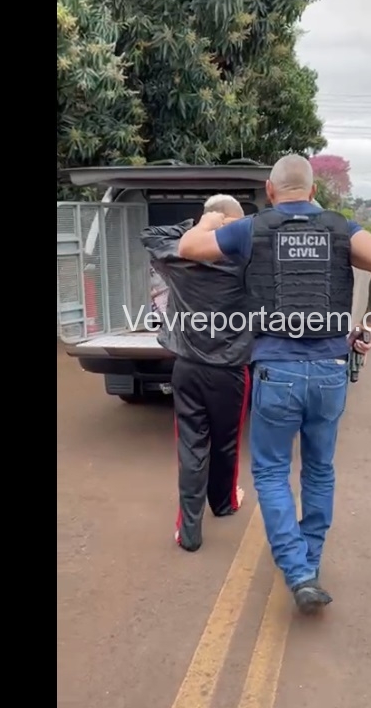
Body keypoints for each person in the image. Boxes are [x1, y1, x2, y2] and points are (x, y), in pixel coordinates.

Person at [177, 155, 371, 613]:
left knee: (272, 472)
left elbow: (188, 248)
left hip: (276, 370)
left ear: (270, 190)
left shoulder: (252, 229)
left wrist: (210, 219)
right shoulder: (341, 229)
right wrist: (368, 325)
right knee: (319, 469)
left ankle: (298, 572)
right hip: (330, 369)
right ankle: (309, 566)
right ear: (314, 191)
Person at [141, 195, 253, 552]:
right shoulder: (247, 257)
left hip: (187, 368)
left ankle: (189, 532)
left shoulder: (180, 254)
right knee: (225, 444)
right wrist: (226, 226)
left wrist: (203, 225)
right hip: (230, 372)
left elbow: (150, 235)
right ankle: (224, 503)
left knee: (191, 447)